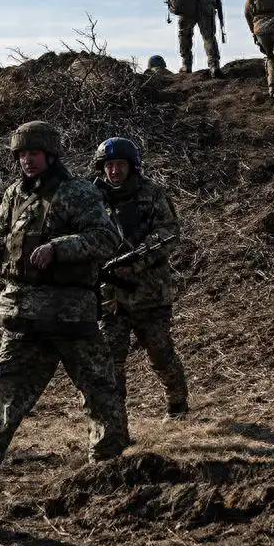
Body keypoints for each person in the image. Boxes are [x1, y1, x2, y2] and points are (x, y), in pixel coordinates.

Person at [0, 122, 128, 485]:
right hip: (23, 315)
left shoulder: (77, 192)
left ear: (50, 155)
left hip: (70, 315)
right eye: (21, 155)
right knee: (6, 388)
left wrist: (59, 248)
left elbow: (107, 238)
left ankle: (110, 462)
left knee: (99, 389)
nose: (27, 161)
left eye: (33, 153)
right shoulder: (15, 193)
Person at [92, 137, 189, 418]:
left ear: (131, 166)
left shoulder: (151, 194)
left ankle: (178, 405)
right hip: (111, 298)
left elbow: (169, 234)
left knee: (161, 354)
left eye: (120, 164)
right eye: (109, 165)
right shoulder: (93, 198)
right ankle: (114, 418)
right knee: (111, 360)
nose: (114, 171)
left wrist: (135, 264)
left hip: (149, 293)